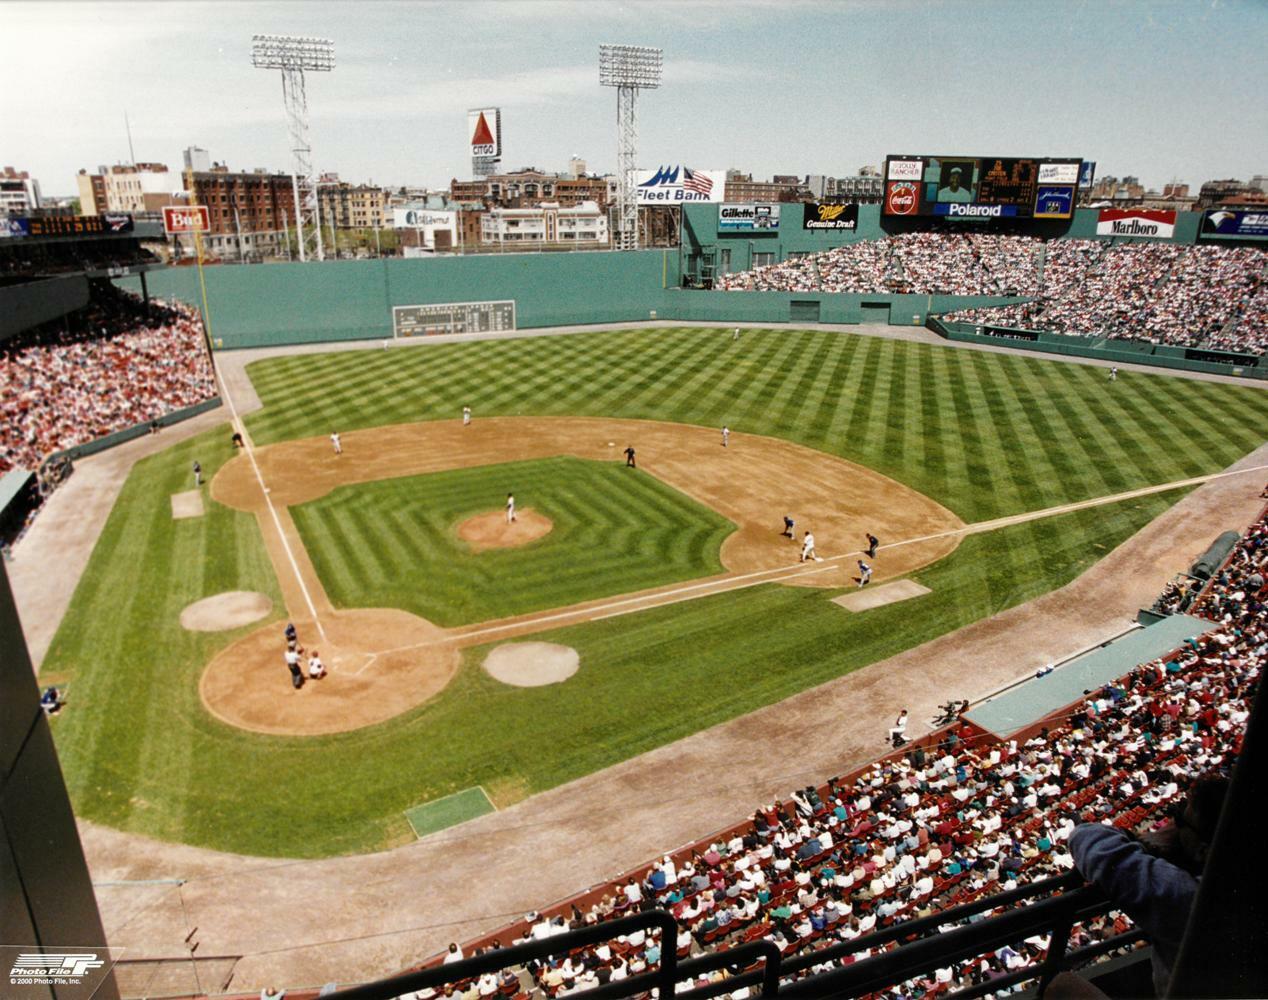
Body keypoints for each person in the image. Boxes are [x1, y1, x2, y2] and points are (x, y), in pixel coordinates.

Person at [1069, 774, 1229, 995]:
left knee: (1061, 984)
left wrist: (1144, 840)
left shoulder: (1187, 896)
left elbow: (1085, 836)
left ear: (1204, 850)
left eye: (1180, 819)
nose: (1174, 822)